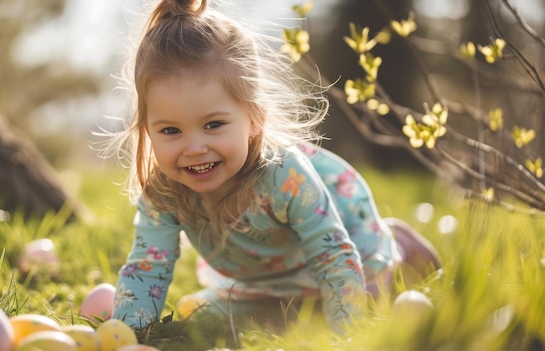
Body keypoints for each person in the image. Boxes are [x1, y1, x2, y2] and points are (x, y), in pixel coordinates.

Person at [107, 0, 441, 334]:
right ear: (147, 129)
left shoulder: (284, 176)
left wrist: (347, 336)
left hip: (344, 252)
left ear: (254, 119)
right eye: (170, 131)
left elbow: (333, 257)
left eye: (213, 125)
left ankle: (398, 245)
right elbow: (148, 267)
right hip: (265, 280)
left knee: (365, 301)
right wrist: (129, 335)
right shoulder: (164, 191)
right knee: (218, 320)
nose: (194, 148)